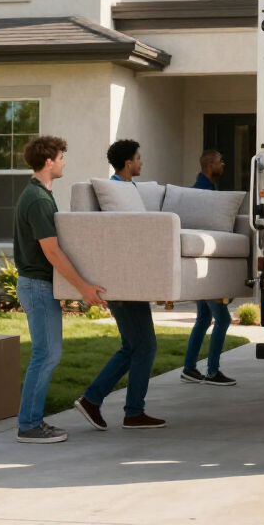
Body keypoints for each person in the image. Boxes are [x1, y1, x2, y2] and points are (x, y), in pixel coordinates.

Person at [13, 136, 107, 444]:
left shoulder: (39, 194)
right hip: (37, 286)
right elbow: (52, 252)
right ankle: (29, 425)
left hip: (38, 285)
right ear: (49, 161)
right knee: (46, 354)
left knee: (46, 353)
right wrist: (83, 288)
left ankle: (31, 422)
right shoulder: (38, 199)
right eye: (61, 157)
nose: (64, 162)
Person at [73, 140, 167, 431]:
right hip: (123, 282)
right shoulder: (115, 192)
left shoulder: (128, 191)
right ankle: (131, 411)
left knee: (132, 346)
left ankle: (93, 400)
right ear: (128, 163)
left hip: (131, 279)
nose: (141, 163)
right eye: (139, 158)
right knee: (145, 346)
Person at [182, 148, 237, 386]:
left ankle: (189, 368)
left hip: (200, 266)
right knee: (222, 319)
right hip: (206, 267)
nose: (223, 164)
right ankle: (213, 371)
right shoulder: (204, 194)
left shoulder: (202, 190)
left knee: (204, 317)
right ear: (209, 165)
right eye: (220, 161)